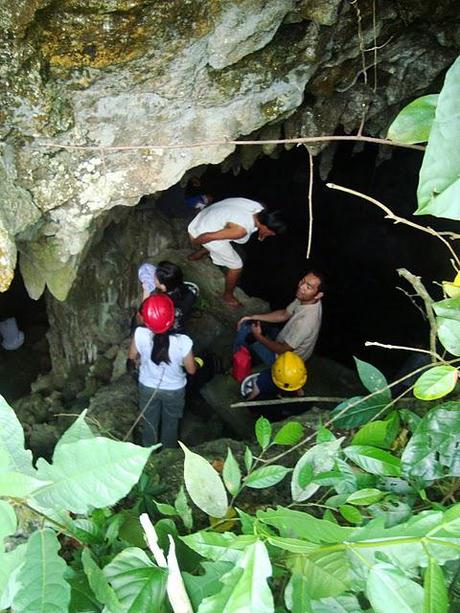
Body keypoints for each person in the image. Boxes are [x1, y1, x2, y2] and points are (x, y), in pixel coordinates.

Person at [187, 197, 286, 307]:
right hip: (202, 229)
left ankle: (196, 255)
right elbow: (208, 236)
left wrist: (262, 231)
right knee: (237, 265)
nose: (272, 235)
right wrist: (195, 241)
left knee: (227, 236)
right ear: (265, 224)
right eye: (272, 232)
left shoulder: (259, 207)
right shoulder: (240, 230)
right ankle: (228, 296)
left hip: (207, 214)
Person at [128, 294, 197, 448]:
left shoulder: (140, 334)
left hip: (147, 386)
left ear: (146, 320)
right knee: (171, 423)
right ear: (173, 318)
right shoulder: (183, 342)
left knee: (149, 422)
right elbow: (191, 370)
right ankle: (168, 454)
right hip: (174, 389)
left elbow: (132, 356)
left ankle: (148, 453)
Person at [235, 270, 325, 365]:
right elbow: (284, 314)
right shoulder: (308, 299)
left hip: (283, 361)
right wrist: (252, 316)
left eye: (308, 287)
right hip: (284, 340)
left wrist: (258, 336)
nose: (301, 287)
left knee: (245, 329)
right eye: (302, 281)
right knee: (255, 322)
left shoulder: (305, 322)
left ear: (319, 295)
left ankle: (236, 361)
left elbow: (283, 350)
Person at [137, 261, 198, 333]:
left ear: (163, 286)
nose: (153, 277)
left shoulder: (162, 301)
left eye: (155, 278)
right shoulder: (189, 292)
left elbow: (142, 318)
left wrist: (146, 293)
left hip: (168, 329)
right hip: (182, 323)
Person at [241, 351, 307, 401]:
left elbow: (255, 391)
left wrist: (248, 400)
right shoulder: (264, 379)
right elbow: (300, 391)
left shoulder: (264, 378)